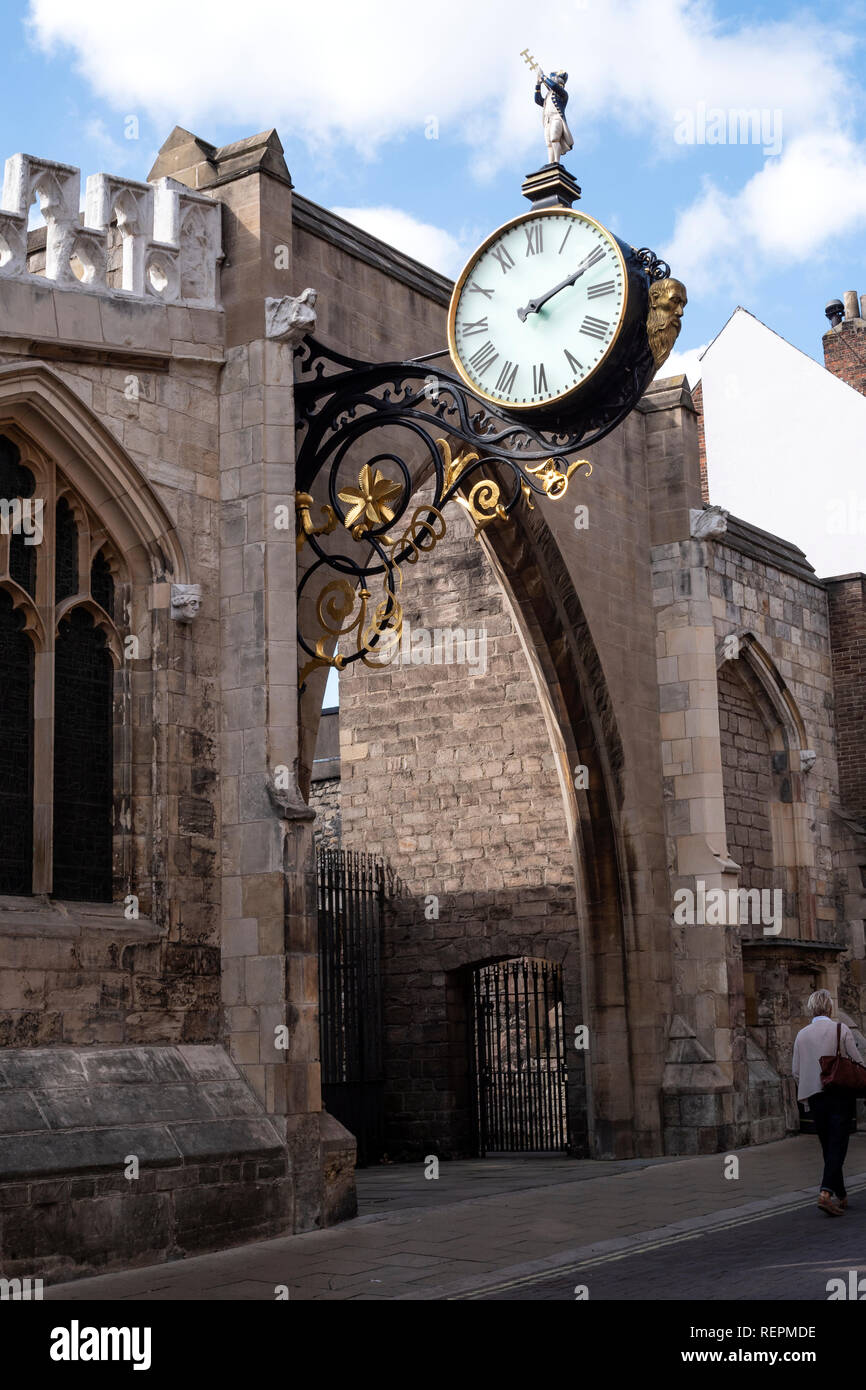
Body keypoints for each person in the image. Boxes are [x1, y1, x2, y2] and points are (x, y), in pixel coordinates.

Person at [792, 989, 863, 1216]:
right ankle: (825, 1192)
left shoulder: (801, 1034)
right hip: (840, 1094)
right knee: (838, 1145)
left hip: (815, 1096)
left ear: (812, 1008)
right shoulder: (841, 1029)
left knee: (828, 1145)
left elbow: (795, 1071)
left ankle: (841, 1195)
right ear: (830, 1007)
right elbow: (858, 1061)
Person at [534, 71, 574, 165]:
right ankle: (551, 162)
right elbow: (538, 100)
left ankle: (556, 161)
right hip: (548, 119)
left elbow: (553, 86)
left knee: (554, 138)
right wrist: (538, 84)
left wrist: (543, 77)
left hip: (557, 118)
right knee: (549, 143)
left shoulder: (563, 94)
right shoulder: (549, 95)